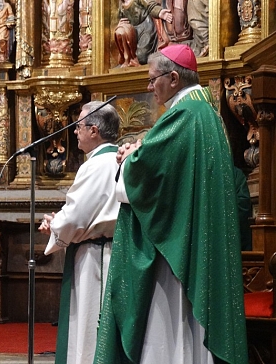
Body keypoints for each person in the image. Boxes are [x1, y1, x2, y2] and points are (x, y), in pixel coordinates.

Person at [95, 44, 247, 364]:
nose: (150, 88)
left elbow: (148, 174)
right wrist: (140, 153)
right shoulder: (205, 113)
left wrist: (128, 159)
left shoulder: (183, 114)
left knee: (170, 331)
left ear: (174, 77)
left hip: (174, 251)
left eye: (153, 80)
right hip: (192, 236)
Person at [38, 101, 121, 364]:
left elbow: (76, 216)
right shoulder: (121, 158)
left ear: (94, 130)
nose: (74, 132)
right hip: (112, 250)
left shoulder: (96, 165)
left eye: (79, 126)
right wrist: (63, 220)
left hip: (95, 258)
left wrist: (54, 225)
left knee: (89, 327)